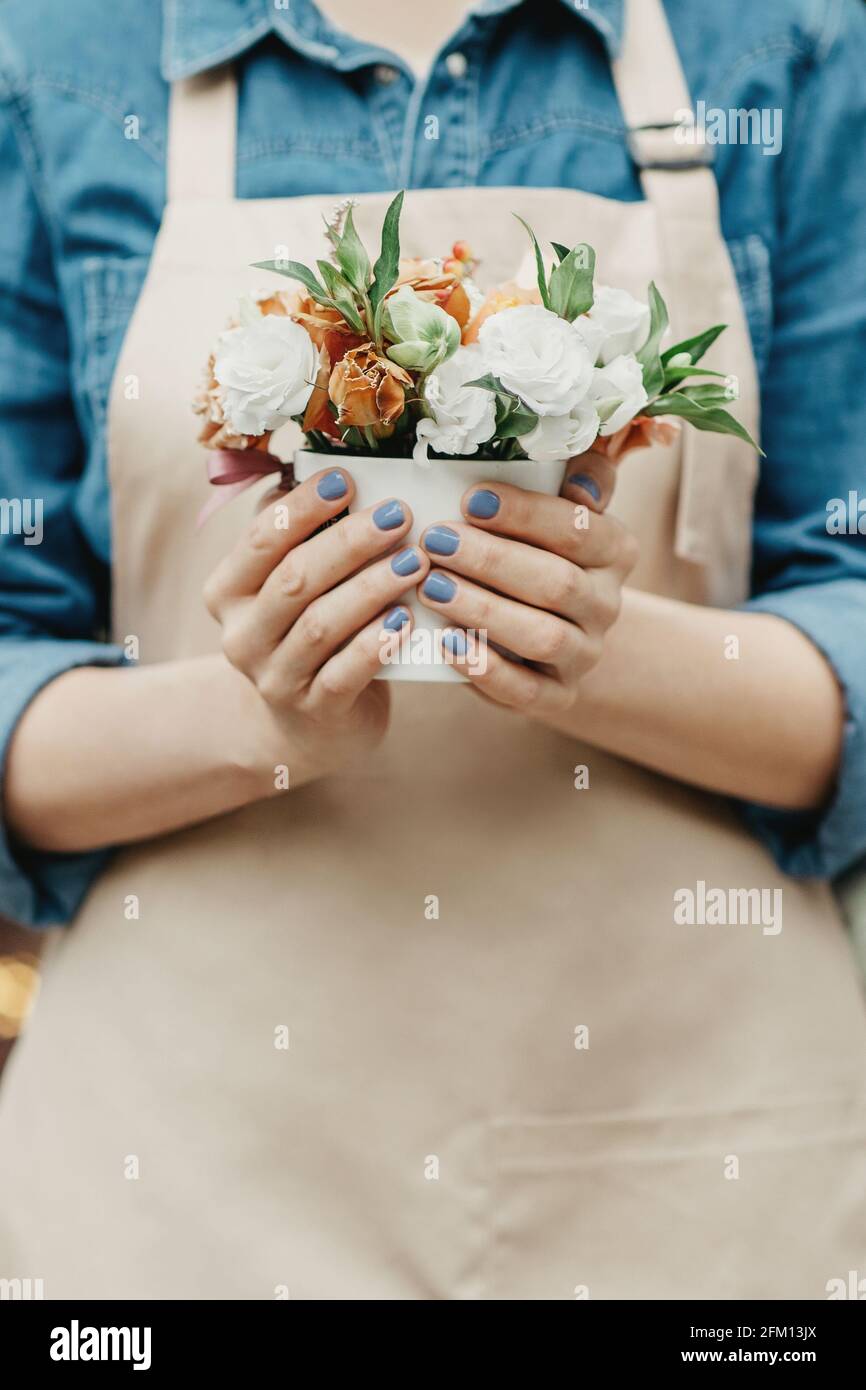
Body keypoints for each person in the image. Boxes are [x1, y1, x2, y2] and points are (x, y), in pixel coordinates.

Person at [0, 0, 864, 1300]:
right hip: (184, 1190)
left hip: (689, 1169)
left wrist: (596, 649)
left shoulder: (779, 41)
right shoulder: (60, 54)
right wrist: (255, 719)